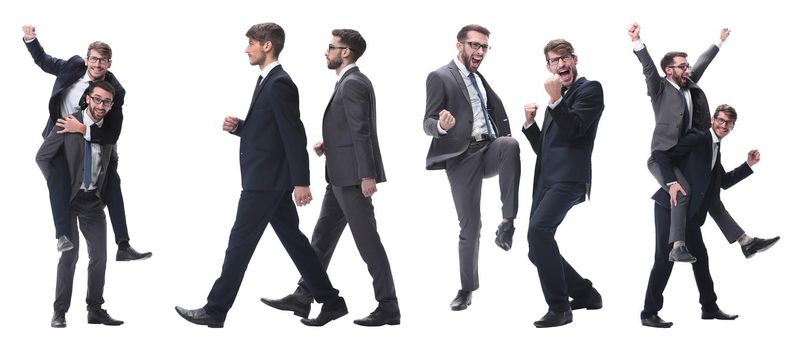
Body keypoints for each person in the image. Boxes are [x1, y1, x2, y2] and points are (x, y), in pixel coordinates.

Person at [174, 22, 347, 328]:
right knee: (296, 243)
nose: (247, 48)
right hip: (269, 180)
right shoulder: (267, 80)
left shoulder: (280, 82)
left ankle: (215, 310)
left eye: (251, 43)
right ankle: (331, 302)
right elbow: (271, 131)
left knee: (238, 245)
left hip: (265, 182)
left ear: (268, 45)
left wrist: (301, 182)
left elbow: (293, 134)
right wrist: (240, 127)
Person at [261, 29, 400, 327]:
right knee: (321, 239)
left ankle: (388, 305)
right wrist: (331, 145)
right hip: (338, 176)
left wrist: (367, 175)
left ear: (345, 52)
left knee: (368, 243)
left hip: (352, 180)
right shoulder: (347, 82)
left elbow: (362, 132)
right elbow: (350, 128)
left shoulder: (353, 84)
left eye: (331, 47)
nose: (326, 52)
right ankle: (303, 294)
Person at [628, 22, 778, 262]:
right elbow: (647, 67)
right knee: (682, 191)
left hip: (687, 151)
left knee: (711, 196)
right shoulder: (659, 89)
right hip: (662, 156)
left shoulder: (689, 83)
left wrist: (719, 42)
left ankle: (747, 243)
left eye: (687, 66)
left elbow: (702, 63)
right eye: (682, 66)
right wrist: (637, 41)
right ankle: (677, 246)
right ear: (669, 70)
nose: (687, 69)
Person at [23, 25, 151, 261]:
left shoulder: (116, 91)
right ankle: (62, 234)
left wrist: (82, 128)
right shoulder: (72, 66)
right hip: (61, 138)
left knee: (113, 180)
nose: (97, 65)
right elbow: (44, 61)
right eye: (93, 59)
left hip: (94, 138)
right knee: (59, 176)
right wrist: (31, 40)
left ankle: (123, 244)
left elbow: (112, 134)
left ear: (109, 64)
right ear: (86, 60)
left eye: (103, 61)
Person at [641, 104, 776, 327]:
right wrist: (672, 183)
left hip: (691, 213)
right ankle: (648, 313)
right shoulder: (698, 138)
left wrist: (748, 165)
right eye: (720, 120)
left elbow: (722, 182)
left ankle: (710, 309)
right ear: (713, 120)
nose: (723, 125)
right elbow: (663, 156)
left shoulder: (715, 149)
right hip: (669, 206)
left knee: (701, 259)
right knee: (664, 260)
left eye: (728, 123)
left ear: (733, 127)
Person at [423, 24, 521, 311]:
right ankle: (466, 288)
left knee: (510, 144)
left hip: (488, 148)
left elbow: (490, 111)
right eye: (474, 45)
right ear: (459, 45)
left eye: (484, 47)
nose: (479, 51)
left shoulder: (479, 78)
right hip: (461, 156)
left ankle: (507, 223)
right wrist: (440, 125)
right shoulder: (440, 76)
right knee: (470, 225)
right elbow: (427, 121)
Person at [522, 39, 604, 328]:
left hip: (569, 178)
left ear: (574, 59)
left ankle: (559, 308)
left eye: (564, 58)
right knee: (536, 246)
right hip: (545, 179)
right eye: (554, 61)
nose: (560, 64)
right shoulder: (557, 97)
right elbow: (547, 148)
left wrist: (555, 101)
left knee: (539, 231)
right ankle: (586, 293)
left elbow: (574, 132)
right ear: (548, 66)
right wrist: (531, 125)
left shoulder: (590, 89)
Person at [36, 81, 125, 328]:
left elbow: (112, 159)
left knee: (99, 257)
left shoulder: (108, 131)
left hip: (93, 202)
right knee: (70, 255)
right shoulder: (67, 122)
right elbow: (42, 156)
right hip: (69, 199)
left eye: (106, 101)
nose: (101, 105)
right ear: (87, 98)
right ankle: (60, 312)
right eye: (97, 99)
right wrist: (58, 183)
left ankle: (95, 309)